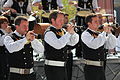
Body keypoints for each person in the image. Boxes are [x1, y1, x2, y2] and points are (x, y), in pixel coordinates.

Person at [4, 16, 44, 80]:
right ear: (16, 26)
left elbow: (41, 50)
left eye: (27, 26)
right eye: (24, 26)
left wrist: (33, 40)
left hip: (31, 75)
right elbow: (11, 48)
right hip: (16, 75)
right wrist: (25, 39)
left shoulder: (29, 37)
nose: (26, 28)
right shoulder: (9, 37)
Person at [44, 10, 79, 80]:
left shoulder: (63, 31)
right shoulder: (49, 33)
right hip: (53, 67)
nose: (62, 22)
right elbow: (58, 45)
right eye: (60, 20)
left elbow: (72, 42)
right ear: (53, 20)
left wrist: (73, 33)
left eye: (63, 19)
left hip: (63, 66)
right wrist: (68, 33)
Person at [81, 14, 116, 80]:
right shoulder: (85, 34)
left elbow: (111, 45)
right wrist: (104, 32)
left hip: (101, 67)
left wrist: (109, 33)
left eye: (98, 21)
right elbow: (95, 45)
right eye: (95, 21)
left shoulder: (100, 34)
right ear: (89, 23)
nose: (98, 23)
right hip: (91, 68)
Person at [0, 16, 12, 80]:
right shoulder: (1, 32)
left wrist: (10, 32)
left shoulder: (9, 31)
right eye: (3, 23)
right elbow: (1, 43)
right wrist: (6, 33)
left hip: (8, 54)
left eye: (6, 23)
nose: (5, 25)